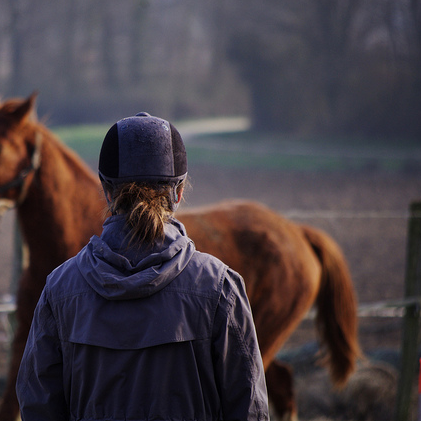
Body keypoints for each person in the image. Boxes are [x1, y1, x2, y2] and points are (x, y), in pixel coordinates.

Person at [16, 112, 270, 421]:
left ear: (107, 193)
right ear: (178, 193)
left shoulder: (60, 289)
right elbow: (249, 410)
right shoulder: (219, 287)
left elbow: (37, 405)